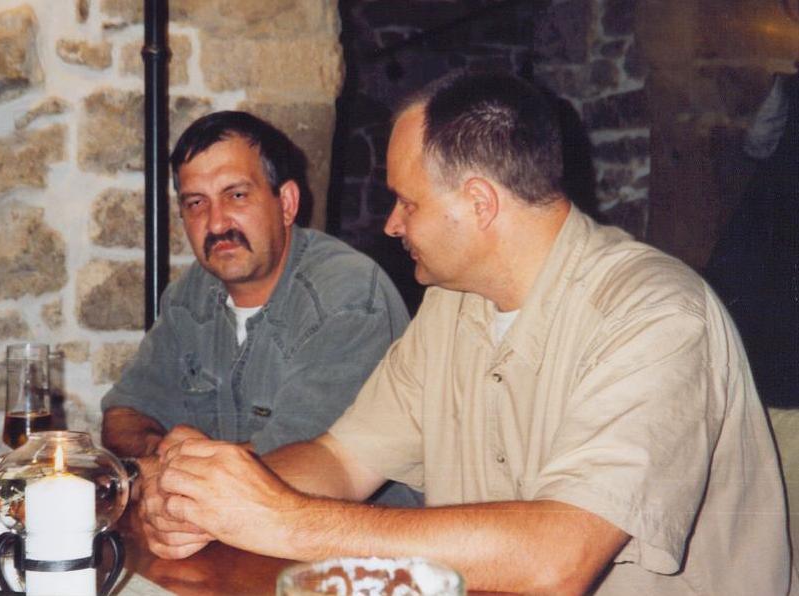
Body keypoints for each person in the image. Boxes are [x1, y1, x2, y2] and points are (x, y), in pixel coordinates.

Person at [145, 74, 793, 594]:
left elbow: (557, 559)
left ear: (480, 203)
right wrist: (209, 498)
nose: (392, 224)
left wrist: (285, 521)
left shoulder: (656, 314)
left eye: (408, 201)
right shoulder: (452, 307)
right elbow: (341, 462)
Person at [101, 111, 421, 541]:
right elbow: (124, 415)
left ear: (286, 203)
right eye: (196, 203)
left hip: (349, 552)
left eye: (236, 195)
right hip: (223, 541)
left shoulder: (348, 295)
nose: (216, 223)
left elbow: (302, 468)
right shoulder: (189, 297)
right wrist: (161, 458)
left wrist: (170, 477)